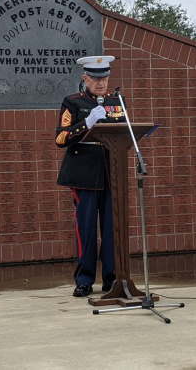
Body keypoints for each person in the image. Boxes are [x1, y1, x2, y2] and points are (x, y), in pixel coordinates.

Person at [55, 55, 127, 297]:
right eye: (95, 78)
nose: (100, 83)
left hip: (111, 172)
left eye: (104, 78)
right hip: (83, 175)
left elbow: (126, 132)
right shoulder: (72, 102)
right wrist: (86, 123)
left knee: (111, 229)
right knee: (86, 230)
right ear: (85, 78)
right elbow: (60, 138)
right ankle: (84, 279)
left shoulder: (118, 101)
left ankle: (111, 278)